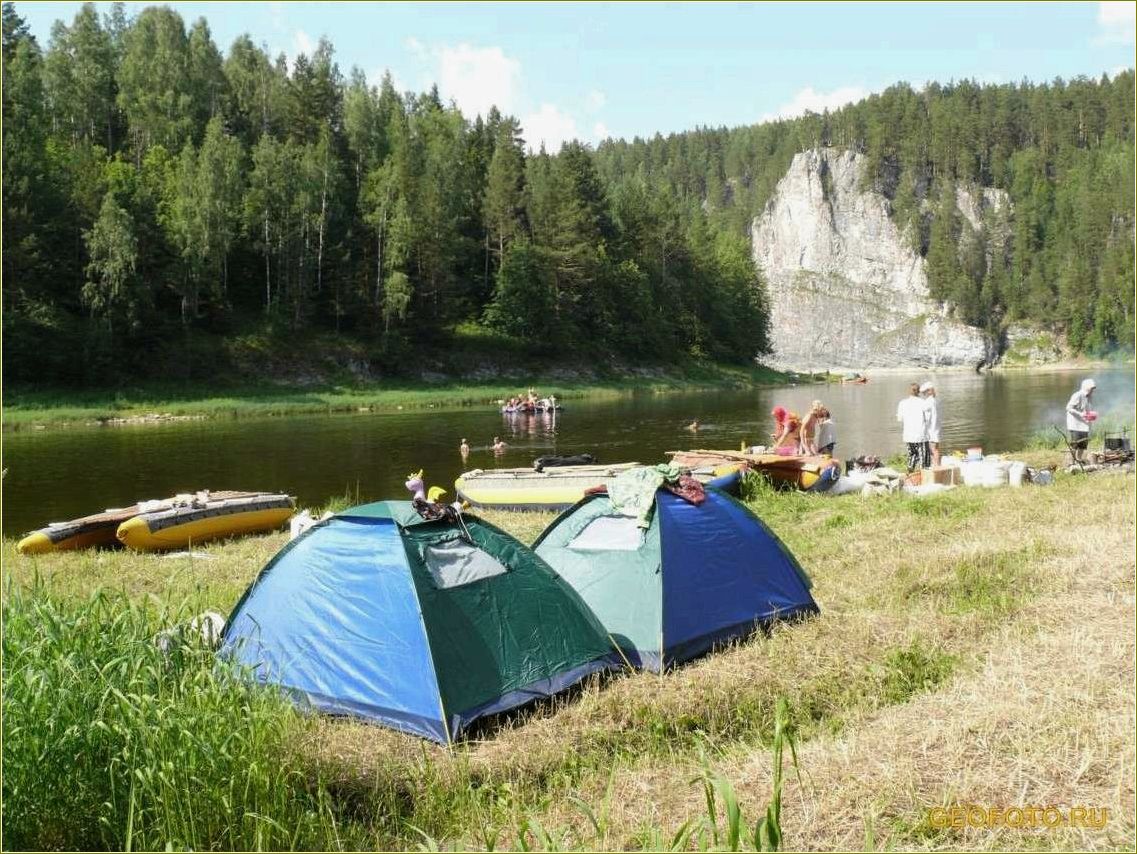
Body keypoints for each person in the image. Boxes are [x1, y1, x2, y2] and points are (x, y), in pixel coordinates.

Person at [896, 383, 930, 471]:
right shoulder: (923, 403)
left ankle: (910, 473)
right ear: (919, 392)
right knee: (924, 457)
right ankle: (924, 475)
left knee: (912, 455)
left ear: (909, 391)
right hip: (921, 435)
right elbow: (928, 418)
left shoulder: (902, 403)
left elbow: (900, 419)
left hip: (908, 434)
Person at [1065, 378, 1097, 465]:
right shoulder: (1077, 395)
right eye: (1091, 388)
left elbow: (1087, 409)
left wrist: (1092, 415)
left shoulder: (1090, 397)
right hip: (1075, 424)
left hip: (1084, 424)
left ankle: (1078, 459)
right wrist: (1080, 414)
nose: (1092, 390)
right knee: (1075, 443)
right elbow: (1068, 408)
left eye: (1093, 389)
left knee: (1083, 444)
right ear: (1086, 387)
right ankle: (1071, 462)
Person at [920, 381, 941, 466]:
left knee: (933, 450)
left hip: (931, 429)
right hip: (935, 428)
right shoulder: (934, 400)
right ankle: (936, 466)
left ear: (928, 391)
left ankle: (936, 466)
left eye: (924, 392)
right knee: (934, 449)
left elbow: (924, 415)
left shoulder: (929, 401)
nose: (923, 394)